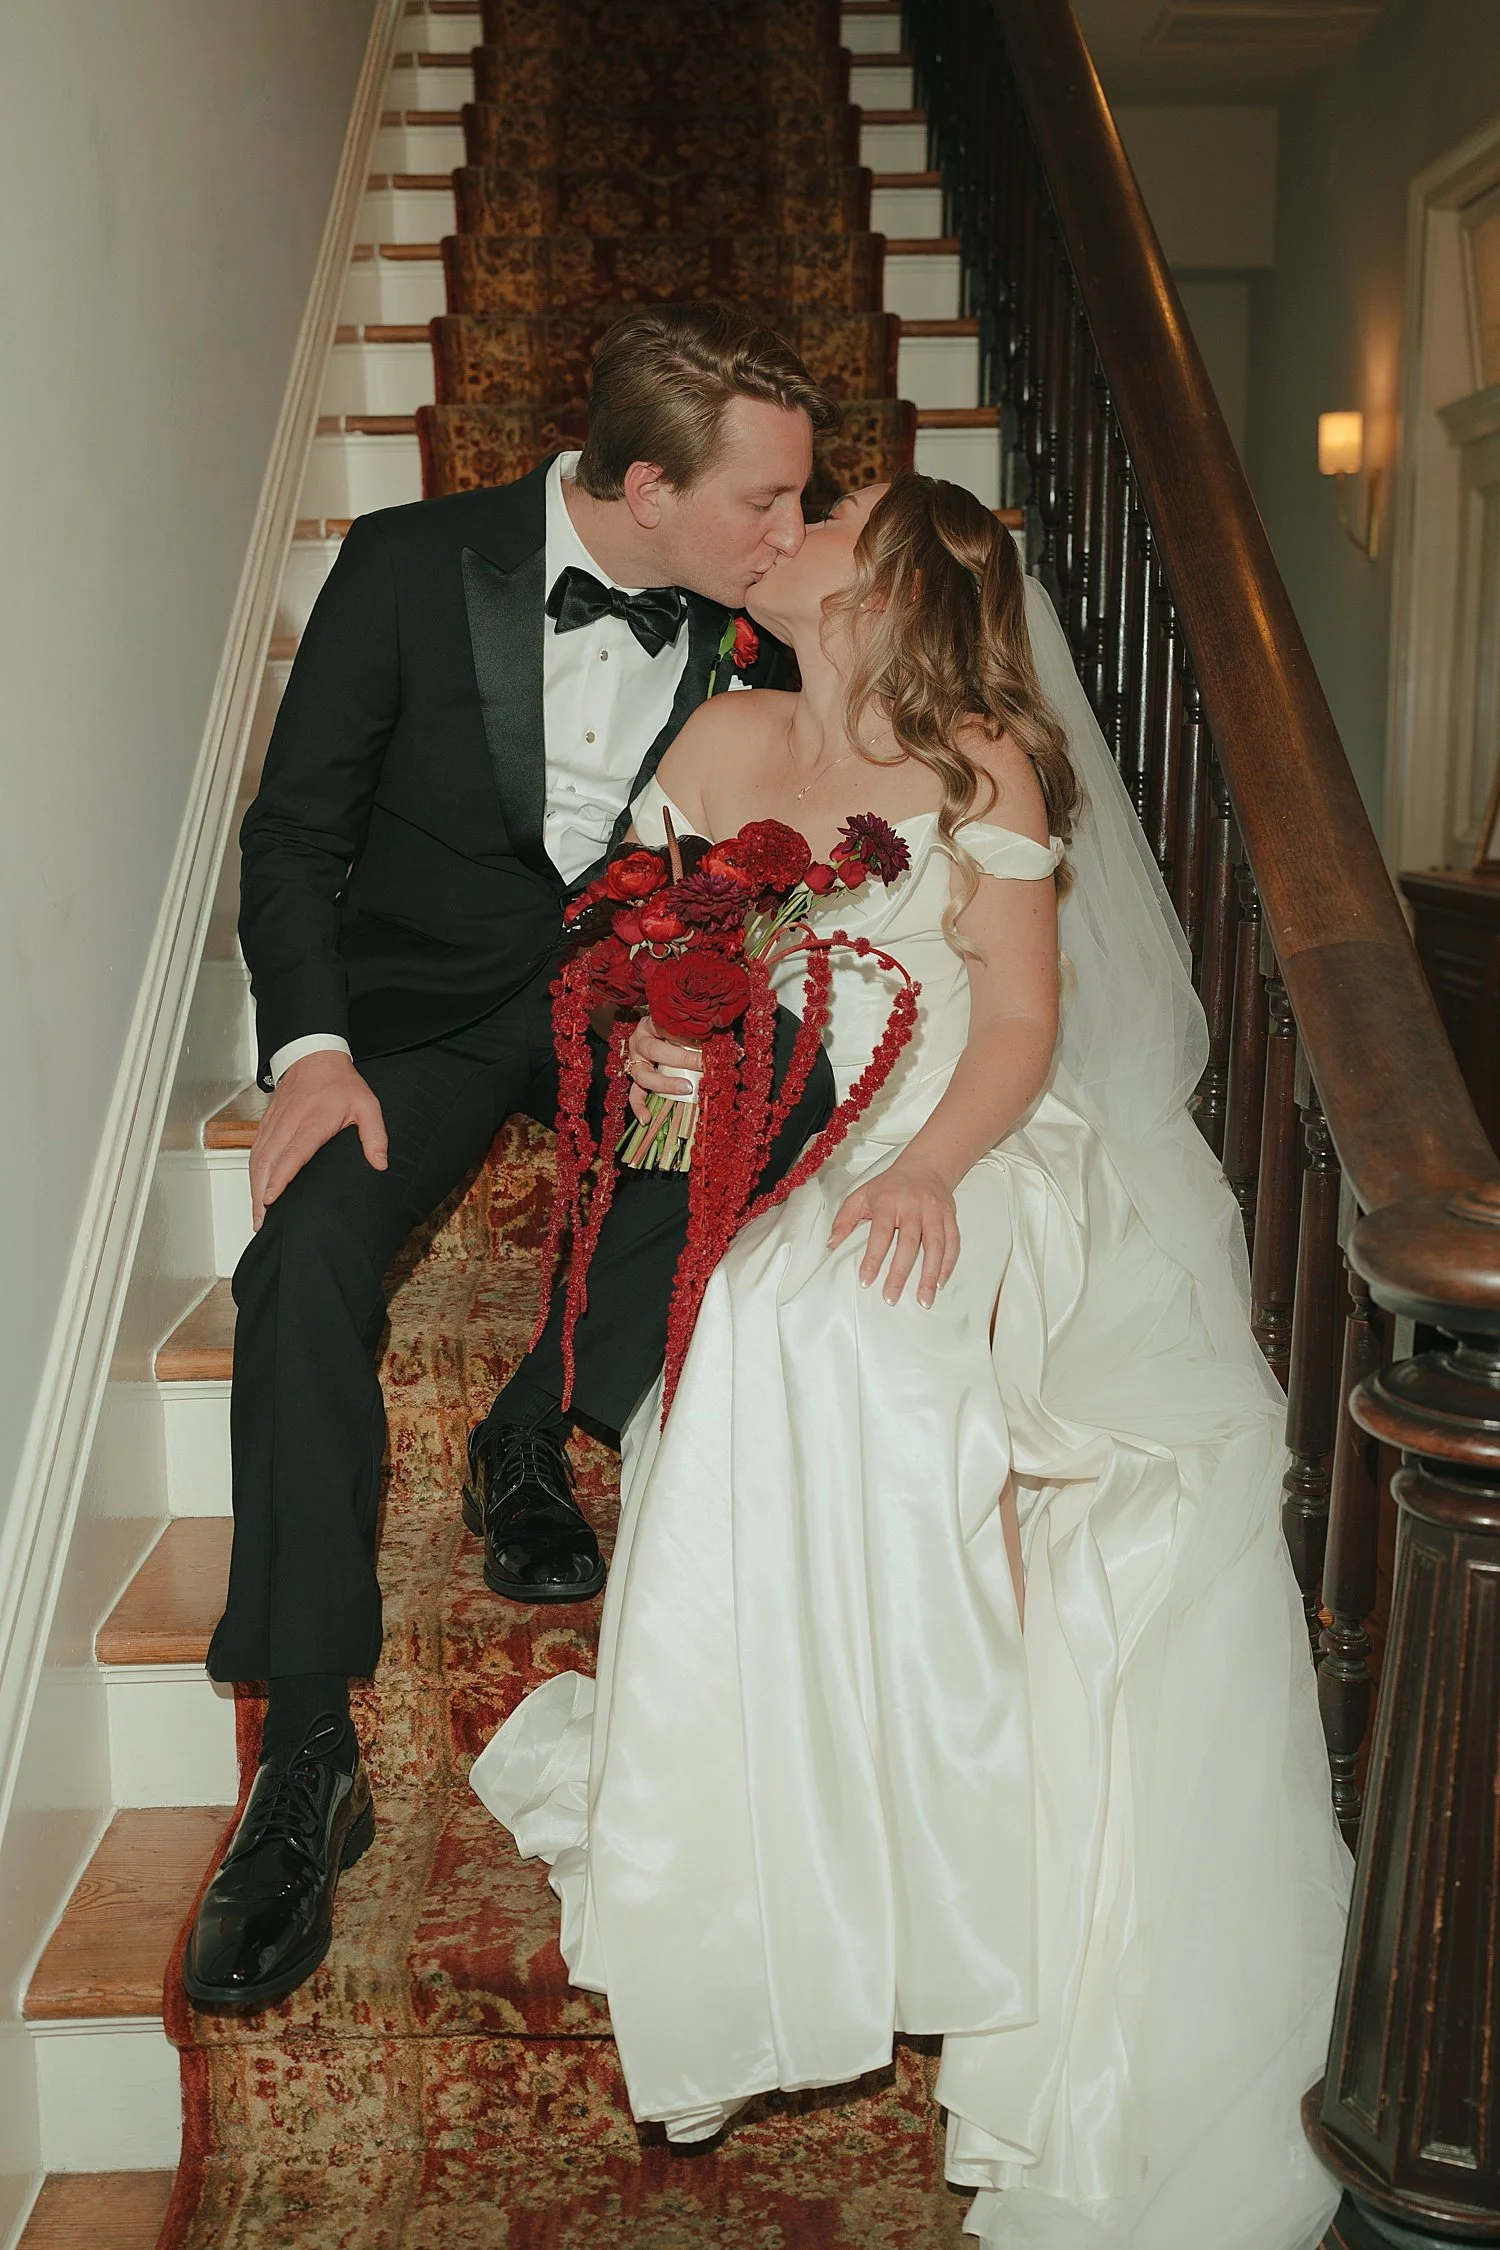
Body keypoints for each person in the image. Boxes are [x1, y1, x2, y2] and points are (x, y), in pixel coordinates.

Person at [473, 474, 1354, 2248]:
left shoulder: (977, 769)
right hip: (793, 1144)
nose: (783, 527)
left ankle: (924, 1814)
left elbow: (1020, 1023)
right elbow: (646, 960)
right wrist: (661, 1051)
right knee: (747, 1322)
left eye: (830, 513)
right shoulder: (721, 735)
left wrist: (940, 1172)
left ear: (888, 585)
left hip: (967, 1149)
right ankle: (761, 1816)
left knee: (839, 1323)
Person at [182, 305, 839, 2014]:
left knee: (793, 1077)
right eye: (764, 502)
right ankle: (305, 1751)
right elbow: (296, 828)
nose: (792, 533)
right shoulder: (407, 565)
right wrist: (312, 1052)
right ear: (642, 484)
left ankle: (527, 1419)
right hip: (416, 1018)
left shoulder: (753, 617)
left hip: (631, 1001)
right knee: (302, 1253)